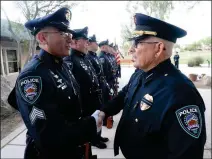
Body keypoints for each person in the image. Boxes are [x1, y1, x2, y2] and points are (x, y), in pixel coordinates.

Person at [98, 13, 206, 159]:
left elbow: (187, 153)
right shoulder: (141, 73)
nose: (130, 49)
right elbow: (125, 94)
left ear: (159, 48)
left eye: (137, 43)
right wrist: (104, 112)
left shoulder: (181, 92)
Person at [8, 7, 101, 159]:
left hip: (72, 148)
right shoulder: (33, 75)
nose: (70, 38)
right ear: (42, 38)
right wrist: (91, 124)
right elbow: (49, 135)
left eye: (69, 33)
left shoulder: (61, 63)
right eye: (63, 33)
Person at [63, 28, 107, 149]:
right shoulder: (70, 60)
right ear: (75, 42)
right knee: (90, 124)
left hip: (94, 98)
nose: (87, 43)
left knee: (97, 120)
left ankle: (97, 137)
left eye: (88, 40)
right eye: (85, 40)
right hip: (85, 101)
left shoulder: (84, 57)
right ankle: (93, 140)